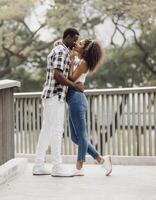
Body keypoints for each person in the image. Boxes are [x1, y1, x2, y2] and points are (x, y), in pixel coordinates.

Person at [33, 27, 84, 177]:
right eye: (74, 39)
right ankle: (56, 167)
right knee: (56, 131)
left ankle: (38, 165)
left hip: (52, 96)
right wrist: (74, 85)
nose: (75, 42)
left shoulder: (61, 50)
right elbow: (57, 75)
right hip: (55, 96)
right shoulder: (61, 51)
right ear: (67, 37)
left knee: (47, 131)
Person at [66, 39, 112, 176]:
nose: (77, 44)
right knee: (75, 138)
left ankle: (79, 167)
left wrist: (71, 60)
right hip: (74, 100)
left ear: (85, 49)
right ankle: (102, 160)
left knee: (82, 135)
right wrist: (72, 59)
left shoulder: (83, 63)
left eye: (80, 44)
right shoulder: (80, 62)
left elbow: (71, 79)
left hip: (76, 100)